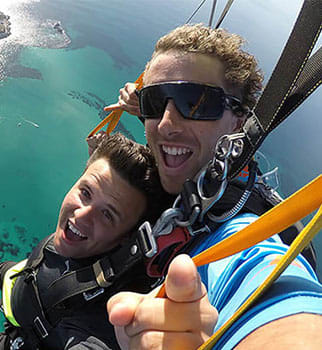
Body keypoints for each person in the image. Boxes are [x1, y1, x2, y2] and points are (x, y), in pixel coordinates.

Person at [103, 24, 322, 349]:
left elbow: (278, 302)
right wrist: (143, 109)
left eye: (196, 102)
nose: (165, 124)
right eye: (157, 100)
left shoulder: (243, 235)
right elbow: (172, 130)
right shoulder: (198, 168)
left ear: (238, 120)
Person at [0, 133, 180, 349]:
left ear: (128, 238)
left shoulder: (103, 315)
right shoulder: (83, 241)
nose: (81, 215)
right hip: (24, 304)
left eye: (107, 214)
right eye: (85, 192)